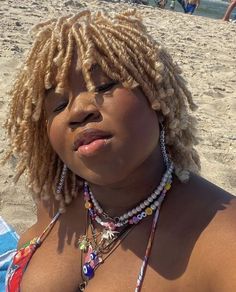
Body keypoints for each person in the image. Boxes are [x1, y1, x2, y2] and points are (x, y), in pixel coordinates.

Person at [3, 8, 236, 292]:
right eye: (59, 105)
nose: (77, 111)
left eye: (104, 86)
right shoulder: (55, 199)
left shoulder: (223, 241)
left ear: (156, 96)